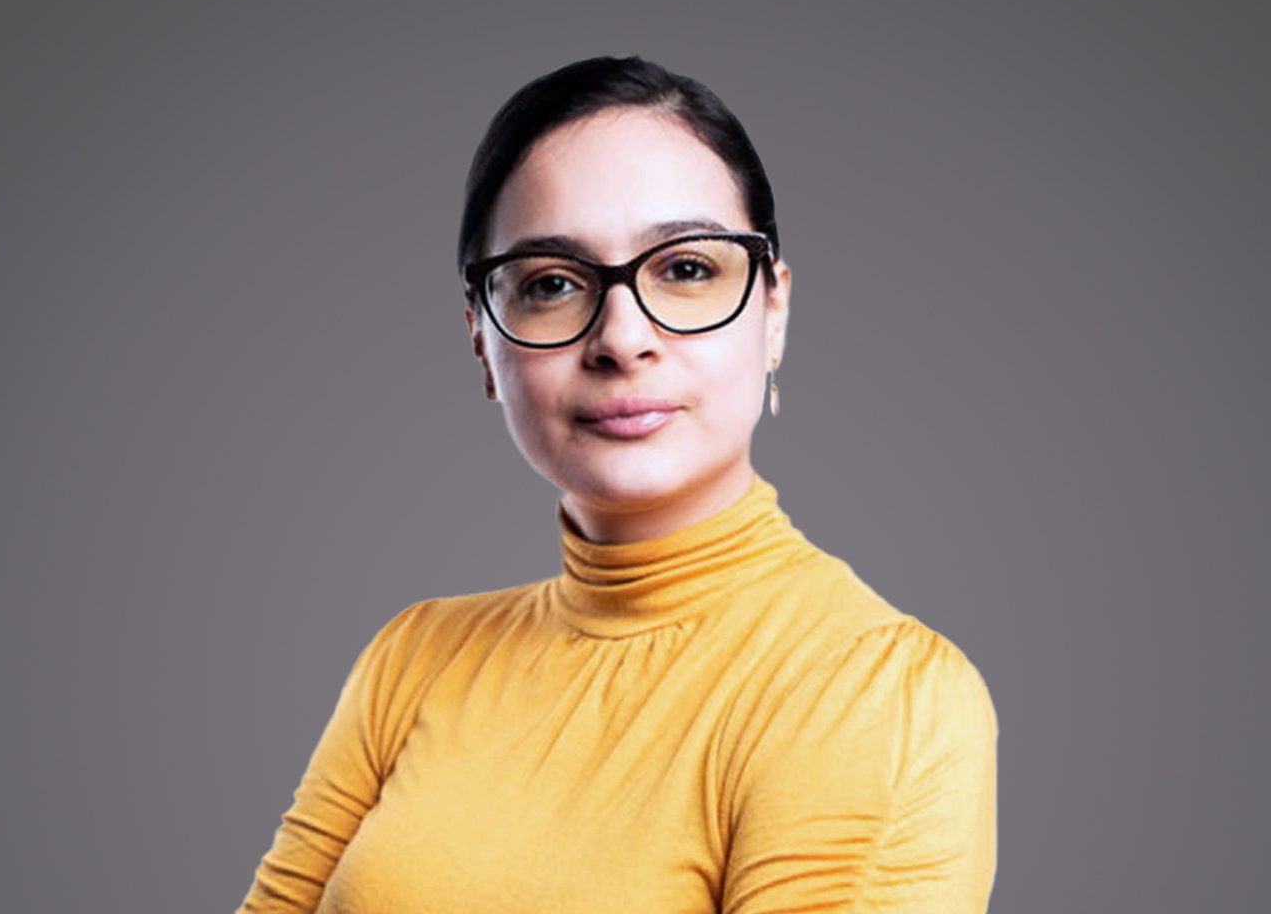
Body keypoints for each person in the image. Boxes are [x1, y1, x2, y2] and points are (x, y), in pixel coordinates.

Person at [237, 55, 998, 913]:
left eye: (685, 269)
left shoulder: (872, 692)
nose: (622, 338)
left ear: (773, 311)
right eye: (553, 284)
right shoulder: (414, 659)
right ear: (483, 340)